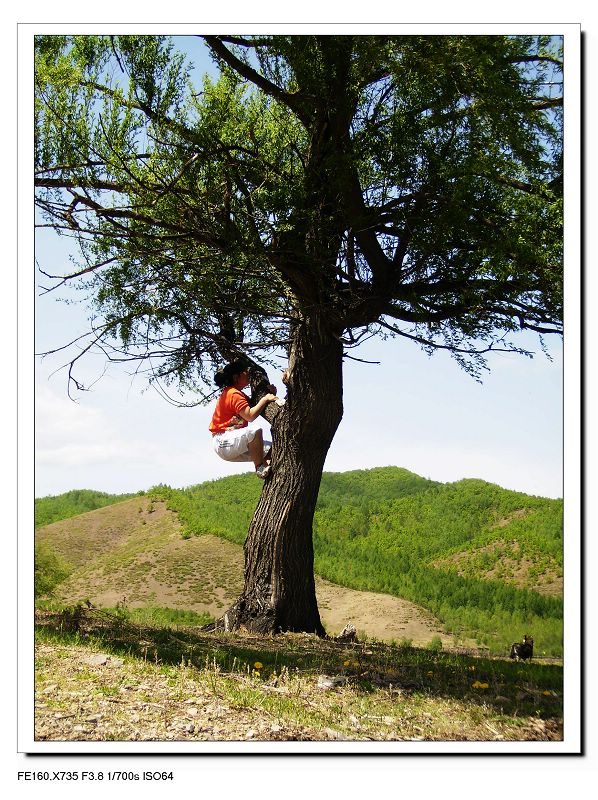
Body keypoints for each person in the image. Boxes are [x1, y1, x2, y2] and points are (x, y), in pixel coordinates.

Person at [209, 359, 278, 479]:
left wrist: (269, 393)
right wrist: (265, 399)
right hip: (223, 442)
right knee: (255, 430)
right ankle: (259, 468)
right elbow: (250, 416)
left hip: (233, 443)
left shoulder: (236, 393)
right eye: (244, 372)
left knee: (276, 447)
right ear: (237, 377)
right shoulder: (233, 394)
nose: (247, 374)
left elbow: (255, 406)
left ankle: (266, 469)